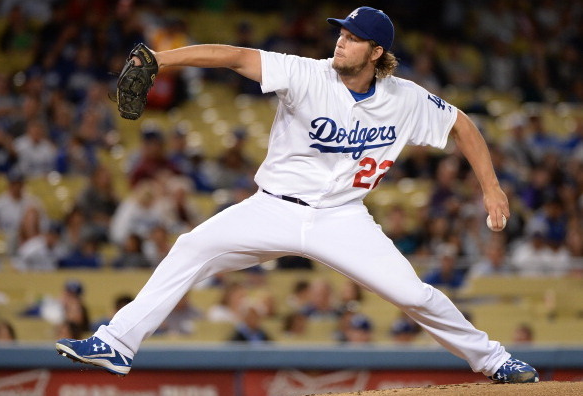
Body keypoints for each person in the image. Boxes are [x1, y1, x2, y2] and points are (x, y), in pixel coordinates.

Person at [55, 6, 538, 384]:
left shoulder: (405, 98)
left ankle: (494, 360)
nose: (340, 41)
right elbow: (234, 56)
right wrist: (164, 60)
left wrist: (492, 189)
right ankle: (117, 342)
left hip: (342, 218)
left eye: (352, 37)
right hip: (272, 208)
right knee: (191, 248)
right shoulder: (307, 72)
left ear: (376, 52)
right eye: (341, 33)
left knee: (414, 294)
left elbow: (463, 125)